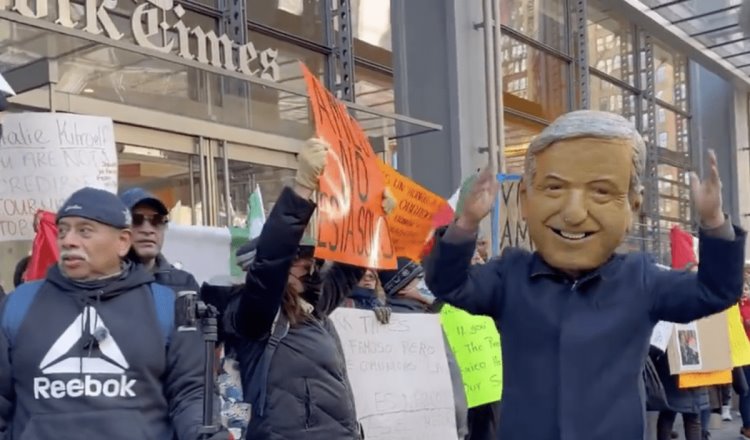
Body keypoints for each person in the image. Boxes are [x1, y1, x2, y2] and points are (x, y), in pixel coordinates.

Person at [423, 110, 746, 440]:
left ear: (633, 207)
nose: (574, 213)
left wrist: (715, 223)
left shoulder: (640, 280)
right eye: (554, 188)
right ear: (525, 200)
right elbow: (448, 283)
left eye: (602, 192)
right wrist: (465, 225)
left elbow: (716, 291)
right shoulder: (510, 277)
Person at [0, 187, 229, 440]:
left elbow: (190, 394)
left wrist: (204, 434)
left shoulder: (164, 306)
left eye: (84, 230)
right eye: (63, 230)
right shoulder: (18, 305)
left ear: (122, 242)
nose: (68, 240)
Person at [223, 138, 390, 439]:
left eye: (310, 258)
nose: (309, 265)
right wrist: (302, 188)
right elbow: (273, 258)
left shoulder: (313, 306)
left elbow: (351, 266)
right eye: (297, 257)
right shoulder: (253, 312)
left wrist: (374, 218)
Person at [119, 188, 199, 293]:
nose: (148, 230)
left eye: (157, 220)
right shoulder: (102, 282)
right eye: (136, 220)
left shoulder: (185, 283)